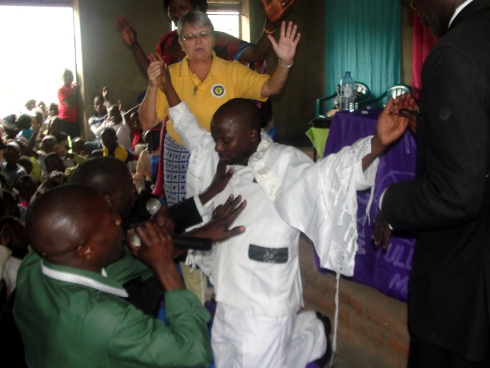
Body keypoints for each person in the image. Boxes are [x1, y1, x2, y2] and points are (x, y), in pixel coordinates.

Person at [158, 62, 410, 366]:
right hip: (226, 292)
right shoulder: (218, 155)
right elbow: (187, 127)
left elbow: (328, 176)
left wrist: (378, 142)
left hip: (265, 297)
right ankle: (309, 329)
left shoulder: (282, 162)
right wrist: (165, 85)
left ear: (253, 135)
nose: (218, 147)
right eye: (216, 139)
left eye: (226, 140)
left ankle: (312, 333)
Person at [373, 0, 490, 366]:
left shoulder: (452, 54)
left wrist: (388, 203)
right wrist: (431, 127)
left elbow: (457, 194)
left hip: (465, 290)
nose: (412, 5)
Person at [13, 184, 213, 368]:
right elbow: (192, 354)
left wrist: (182, 242)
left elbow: (116, 267)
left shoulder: (32, 266)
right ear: (86, 251)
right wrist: (165, 268)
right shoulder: (106, 318)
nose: (118, 219)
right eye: (109, 220)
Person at [140, 12, 300, 206]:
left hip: (223, 151)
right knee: (183, 212)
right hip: (181, 154)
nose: (198, 41)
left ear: (214, 39)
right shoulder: (169, 75)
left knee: (222, 208)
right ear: (181, 44)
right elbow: (147, 122)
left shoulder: (231, 71)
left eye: (204, 34)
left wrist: (284, 61)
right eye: (190, 37)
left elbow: (271, 87)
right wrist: (153, 85)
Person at [57, 68, 80, 139]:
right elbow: (70, 104)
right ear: (61, 78)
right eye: (65, 75)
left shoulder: (74, 86)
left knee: (76, 142)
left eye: (70, 75)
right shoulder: (61, 90)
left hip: (74, 121)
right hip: (64, 121)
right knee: (64, 143)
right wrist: (75, 92)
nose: (68, 77)